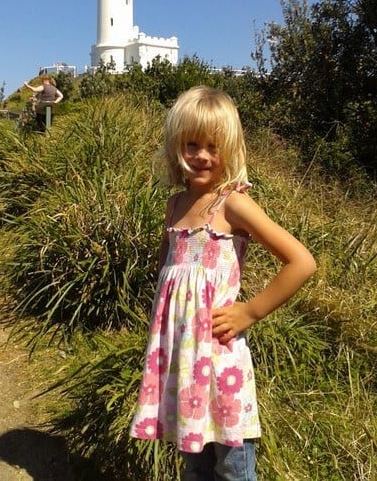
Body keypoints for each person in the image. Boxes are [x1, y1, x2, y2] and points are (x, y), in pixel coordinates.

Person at [130, 85, 316, 480]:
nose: (201, 155)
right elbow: (167, 261)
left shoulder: (233, 203)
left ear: (229, 148)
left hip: (219, 357)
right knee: (193, 465)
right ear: (175, 146)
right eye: (191, 144)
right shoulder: (175, 205)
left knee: (233, 467)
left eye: (213, 146)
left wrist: (249, 311)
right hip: (181, 357)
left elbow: (301, 262)